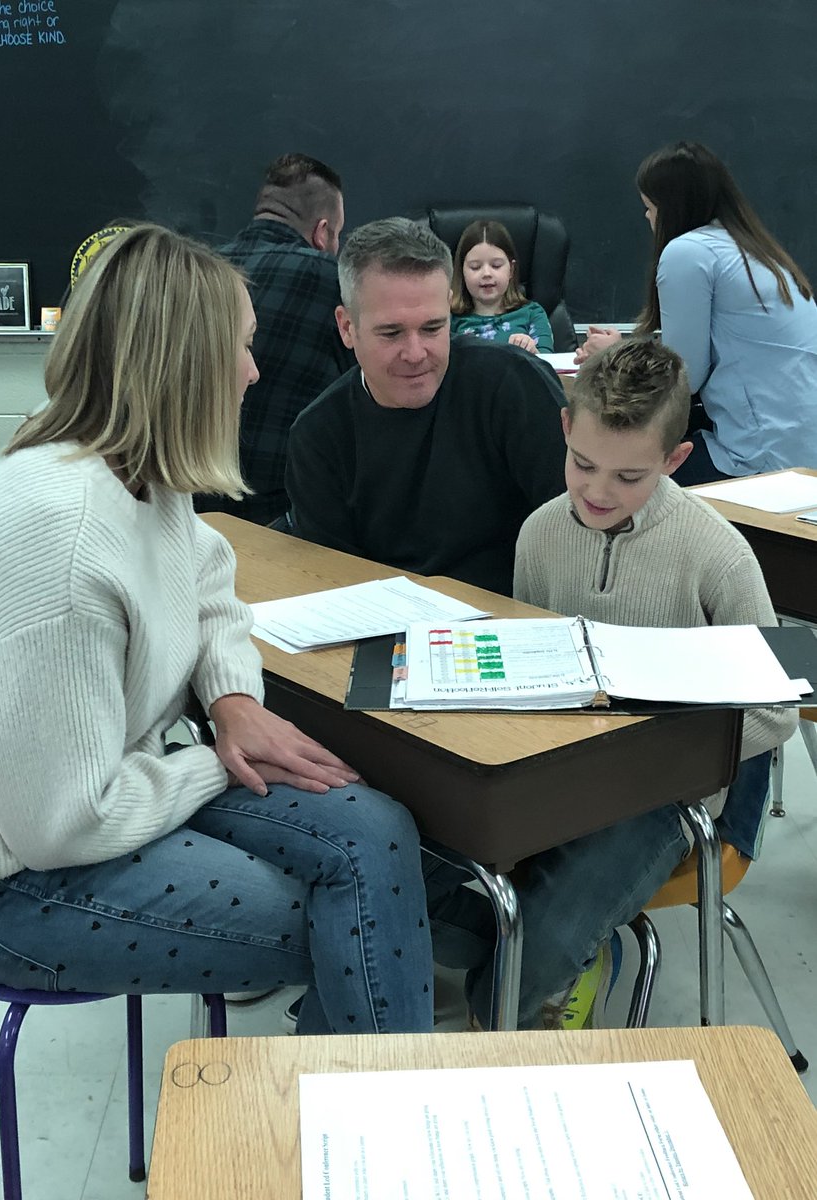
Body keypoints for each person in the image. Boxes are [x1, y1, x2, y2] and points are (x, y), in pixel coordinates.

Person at [0, 223, 474, 1036]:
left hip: (115, 782)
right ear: (180, 367)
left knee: (376, 832)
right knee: (362, 916)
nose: (254, 371)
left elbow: (208, 580)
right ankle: (356, 1135)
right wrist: (215, 761)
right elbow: (62, 824)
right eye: (242, 349)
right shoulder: (60, 538)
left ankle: (341, 1112)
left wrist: (232, 701)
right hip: (5, 880)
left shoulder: (135, 468)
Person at [509, 337, 797, 1025]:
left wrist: (663, 748)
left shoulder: (717, 556)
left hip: (668, 793)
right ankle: (566, 959)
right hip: (559, 767)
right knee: (459, 878)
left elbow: (777, 712)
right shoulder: (539, 534)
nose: (598, 491)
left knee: (539, 937)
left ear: (674, 461)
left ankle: (544, 983)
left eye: (629, 477)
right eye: (583, 464)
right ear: (565, 431)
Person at [285, 217, 567, 596]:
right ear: (347, 327)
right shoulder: (318, 437)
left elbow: (575, 533)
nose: (416, 354)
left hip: (516, 619)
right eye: (392, 332)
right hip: (385, 629)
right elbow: (337, 590)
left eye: (434, 328)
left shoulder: (513, 387)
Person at [576, 141, 817, 484]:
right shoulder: (757, 250)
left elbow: (683, 378)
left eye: (649, 206)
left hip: (767, 458)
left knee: (619, 474)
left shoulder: (687, 252)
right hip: (803, 444)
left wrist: (613, 355)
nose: (647, 217)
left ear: (672, 207)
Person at [195, 153, 353, 525]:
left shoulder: (199, 276)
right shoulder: (334, 281)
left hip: (189, 499)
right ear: (322, 231)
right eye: (338, 235)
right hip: (285, 512)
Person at [450, 219, 554, 353]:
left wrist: (533, 353)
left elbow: (549, 367)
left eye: (496, 265)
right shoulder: (449, 318)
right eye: (475, 267)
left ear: (511, 269)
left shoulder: (532, 313)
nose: (486, 273)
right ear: (461, 271)